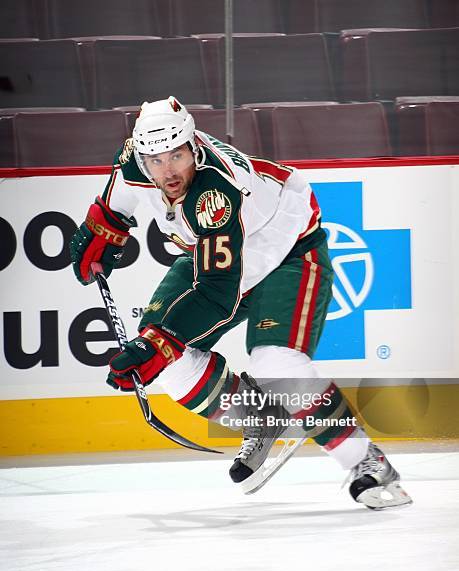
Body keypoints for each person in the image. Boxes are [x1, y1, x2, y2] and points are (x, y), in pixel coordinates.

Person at [69, 96, 412, 509]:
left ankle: (368, 462)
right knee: (169, 365)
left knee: (274, 363)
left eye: (177, 156)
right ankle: (261, 419)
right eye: (156, 161)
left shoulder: (215, 191)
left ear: (192, 146)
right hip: (218, 254)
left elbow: (217, 292)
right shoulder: (134, 160)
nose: (169, 170)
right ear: (142, 156)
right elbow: (113, 204)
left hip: (286, 249)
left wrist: (158, 342)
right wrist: (102, 229)